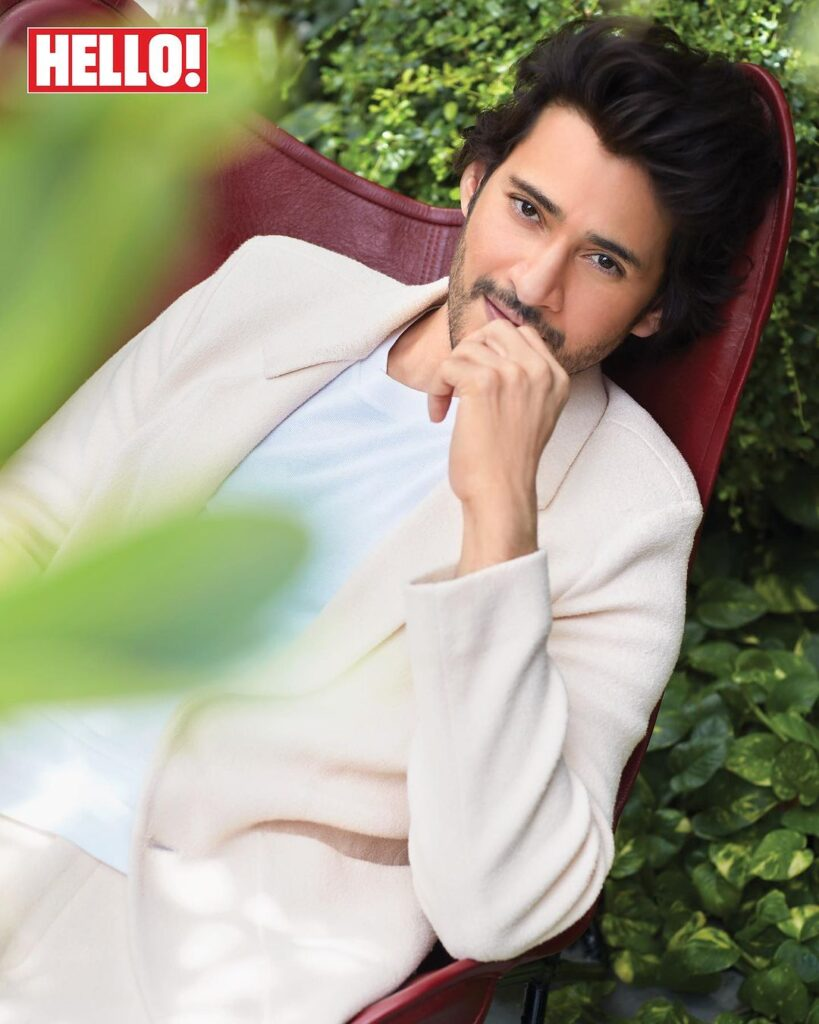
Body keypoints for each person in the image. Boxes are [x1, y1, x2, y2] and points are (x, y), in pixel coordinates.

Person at [0, 14, 781, 1024]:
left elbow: (504, 906)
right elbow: (31, 520)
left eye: (603, 262)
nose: (531, 286)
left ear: (652, 309)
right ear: (474, 182)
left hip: (174, 943)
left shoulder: (630, 510)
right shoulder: (272, 290)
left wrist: (500, 515)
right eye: (528, 210)